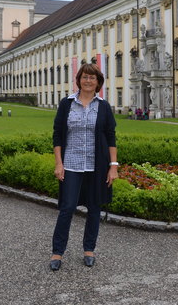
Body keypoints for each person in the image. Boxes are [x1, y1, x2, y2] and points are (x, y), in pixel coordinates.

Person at [50, 63, 118, 271]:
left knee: (94, 208)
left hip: (96, 165)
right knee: (67, 207)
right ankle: (57, 252)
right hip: (71, 164)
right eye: (84, 77)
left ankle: (89, 249)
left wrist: (113, 165)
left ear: (98, 83)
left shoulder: (104, 106)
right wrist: (59, 163)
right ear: (78, 80)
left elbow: (111, 136)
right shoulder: (67, 104)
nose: (88, 81)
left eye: (92, 78)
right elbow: (58, 135)